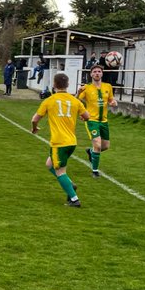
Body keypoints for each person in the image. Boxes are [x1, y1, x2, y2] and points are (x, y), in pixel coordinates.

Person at [31, 71, 90, 207]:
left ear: (54, 85)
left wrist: (35, 128)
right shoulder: (75, 101)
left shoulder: (49, 101)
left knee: (60, 171)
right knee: (49, 164)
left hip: (59, 142)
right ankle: (70, 185)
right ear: (68, 84)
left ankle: (74, 199)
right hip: (72, 142)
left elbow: (34, 119)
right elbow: (86, 116)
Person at [76, 64, 117, 178]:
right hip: (91, 120)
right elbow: (76, 102)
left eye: (99, 71)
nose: (97, 73)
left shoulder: (108, 86)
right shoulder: (87, 88)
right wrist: (79, 92)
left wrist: (113, 102)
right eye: (94, 72)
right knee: (98, 145)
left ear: (102, 73)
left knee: (105, 146)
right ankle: (95, 171)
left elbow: (111, 99)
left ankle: (91, 152)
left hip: (104, 121)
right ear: (91, 74)